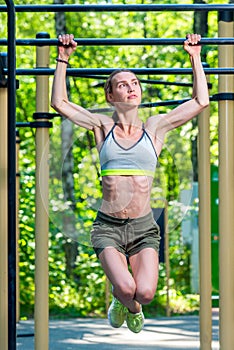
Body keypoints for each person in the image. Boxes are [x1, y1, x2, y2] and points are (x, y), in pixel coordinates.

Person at [51, 33, 209, 333]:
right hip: (108, 226)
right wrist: (63, 58)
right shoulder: (102, 126)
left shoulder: (154, 127)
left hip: (143, 228)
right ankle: (123, 300)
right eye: (122, 84)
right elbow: (59, 102)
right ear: (111, 96)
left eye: (134, 82)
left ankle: (130, 301)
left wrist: (194, 56)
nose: (131, 87)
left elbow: (201, 101)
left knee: (146, 293)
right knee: (126, 289)